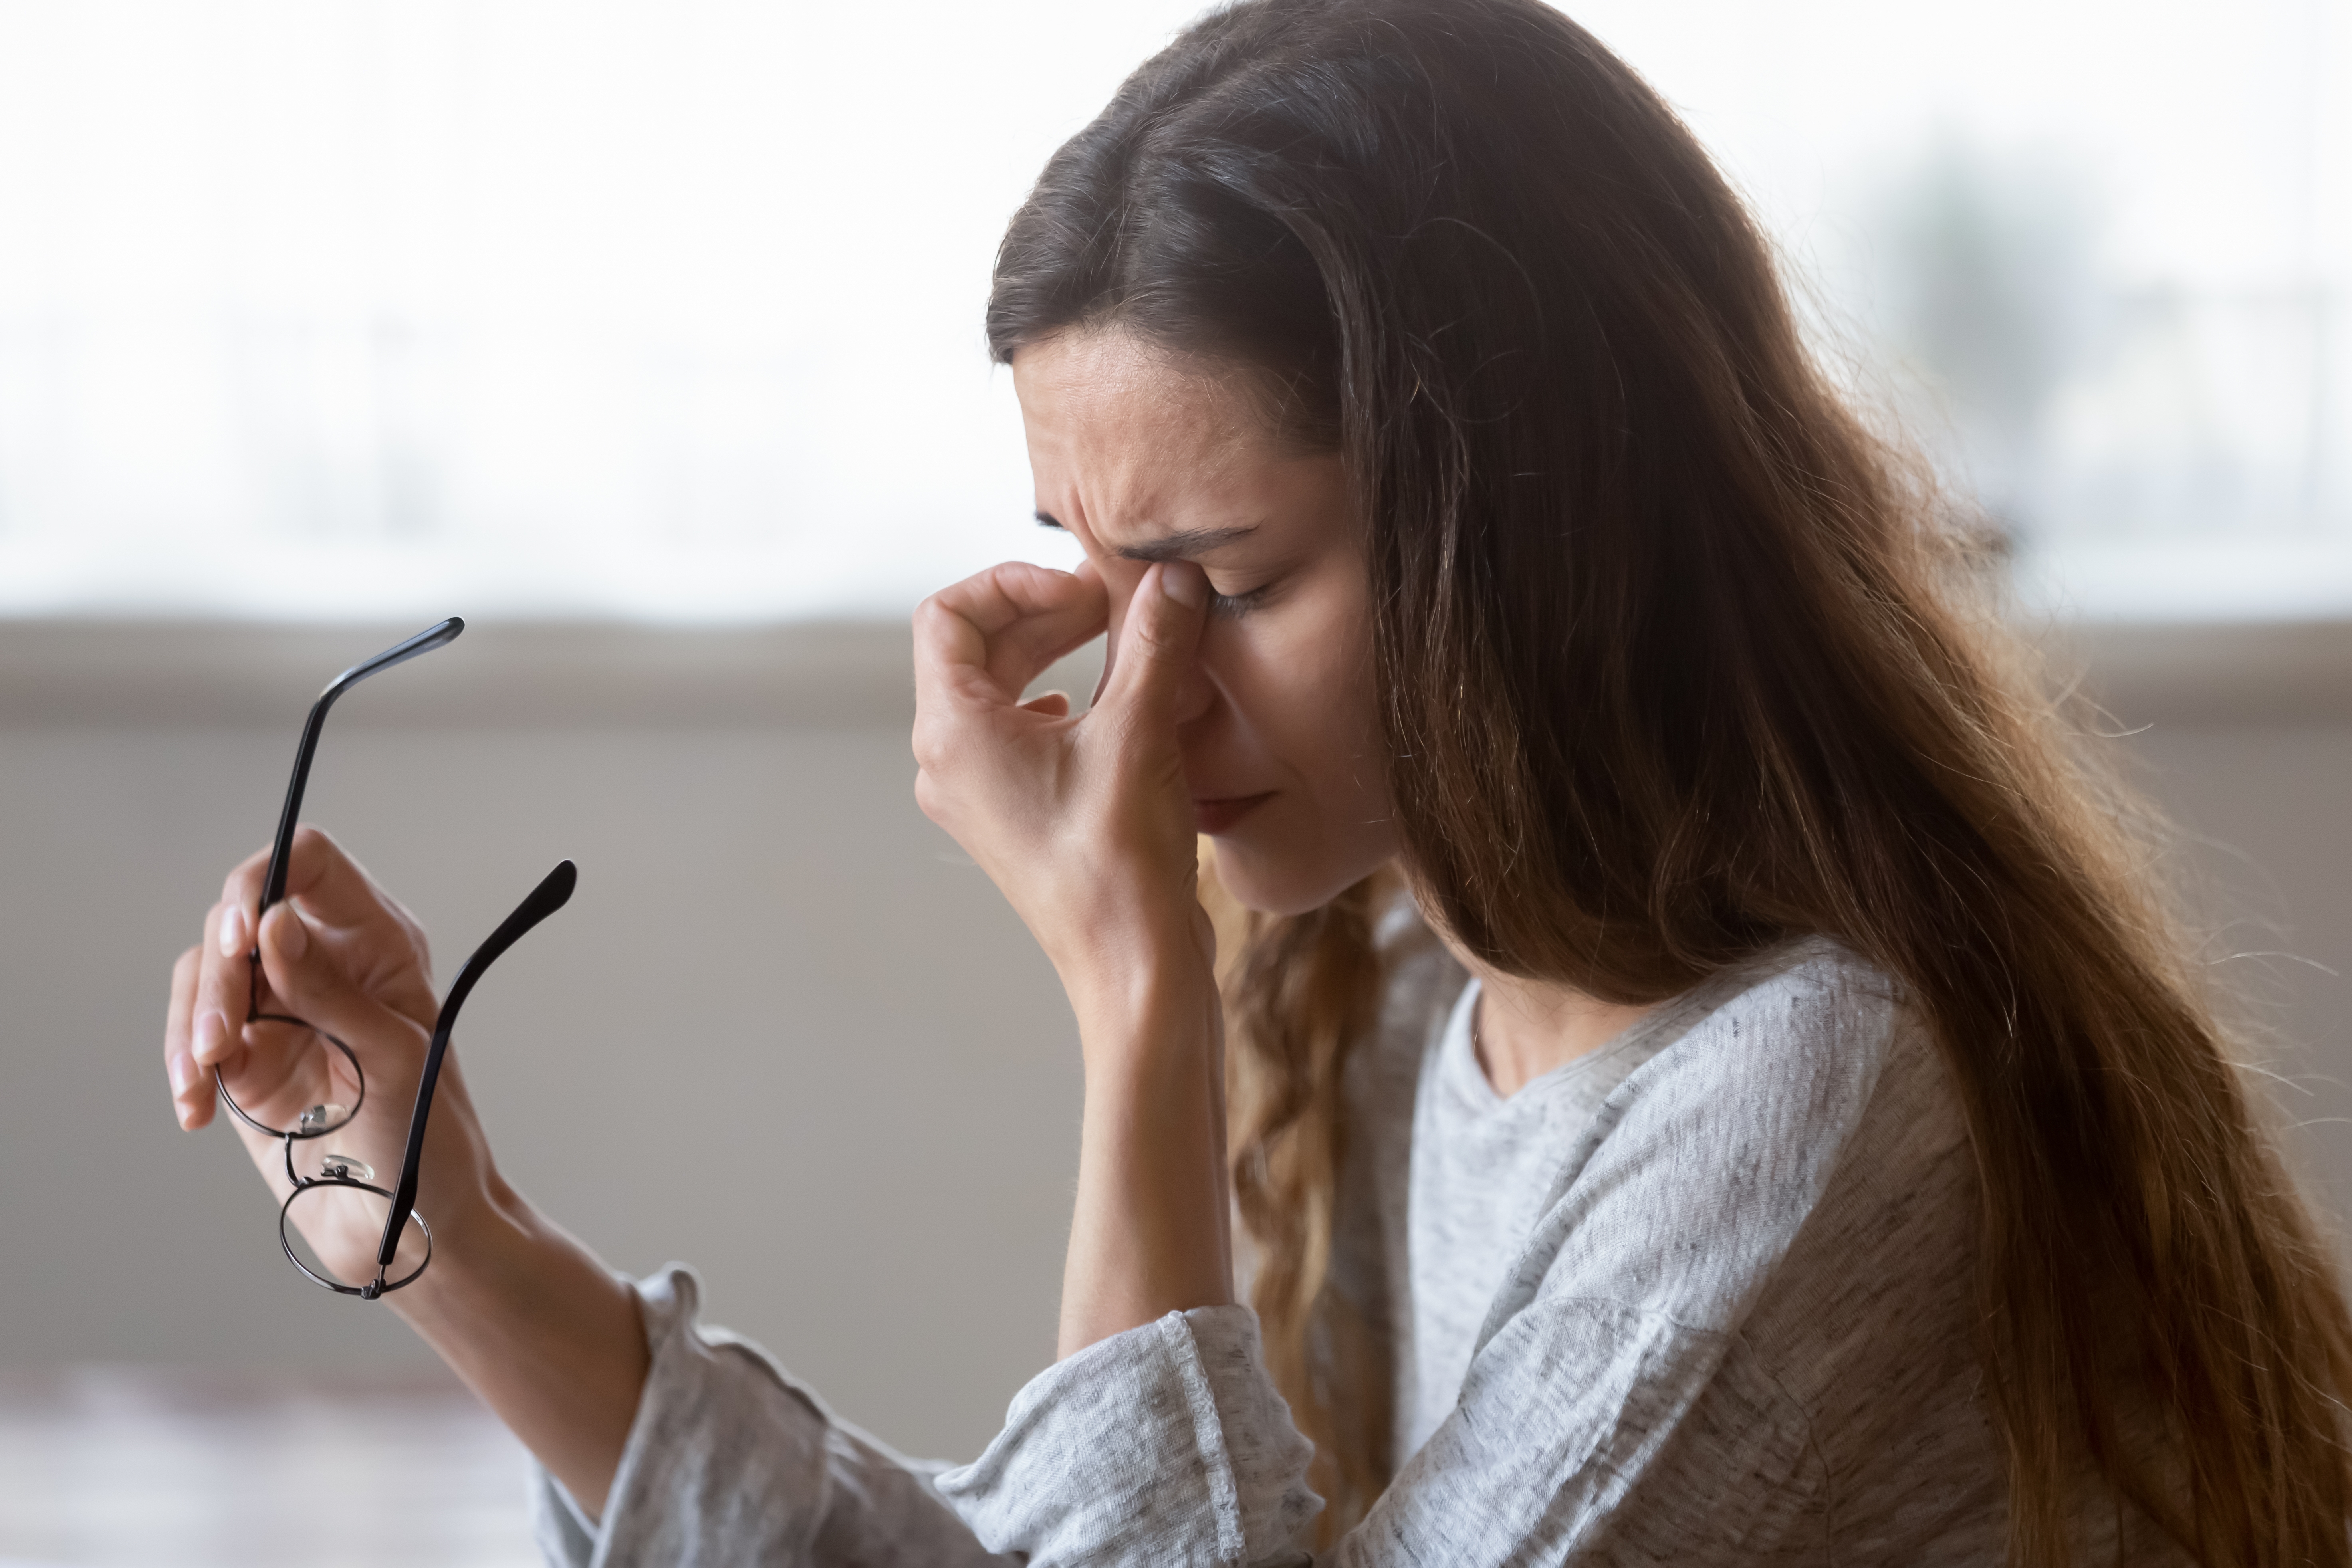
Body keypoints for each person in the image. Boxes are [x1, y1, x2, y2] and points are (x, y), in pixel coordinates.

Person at [161, 0, 2352, 1562]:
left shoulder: (1805, 1098)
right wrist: (444, 1229)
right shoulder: (1418, 982)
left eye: (1221, 574)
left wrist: (1139, 1003)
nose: (1137, 680)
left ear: (1531, 526)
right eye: (1086, 568)